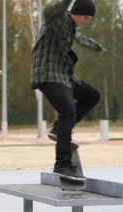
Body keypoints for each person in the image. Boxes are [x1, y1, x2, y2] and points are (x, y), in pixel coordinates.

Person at [30, 0, 107, 180]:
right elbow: (50, 11)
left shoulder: (71, 28)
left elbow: (80, 38)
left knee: (92, 95)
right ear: (76, 12)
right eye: (86, 17)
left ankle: (58, 130)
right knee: (68, 112)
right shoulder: (58, 20)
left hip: (63, 76)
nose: (87, 20)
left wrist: (96, 46)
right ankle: (62, 165)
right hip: (48, 75)